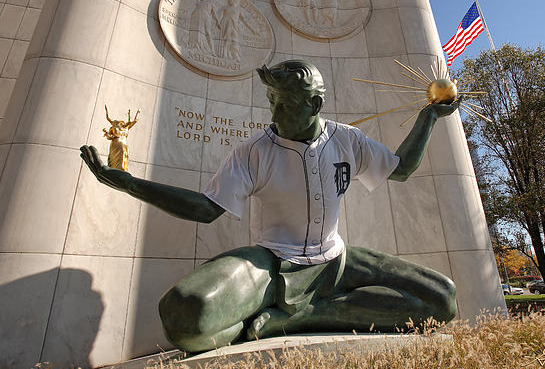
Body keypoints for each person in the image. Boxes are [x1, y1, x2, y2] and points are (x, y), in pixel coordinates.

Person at [80, 60, 459, 353]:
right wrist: (131, 184)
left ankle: (304, 317)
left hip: (337, 262)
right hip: (271, 263)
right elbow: (206, 209)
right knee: (182, 319)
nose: (274, 115)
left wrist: (429, 117)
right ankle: (277, 311)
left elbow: (402, 168)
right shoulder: (253, 152)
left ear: (315, 103)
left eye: (286, 104)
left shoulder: (348, 140)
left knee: (443, 299)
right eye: (272, 103)